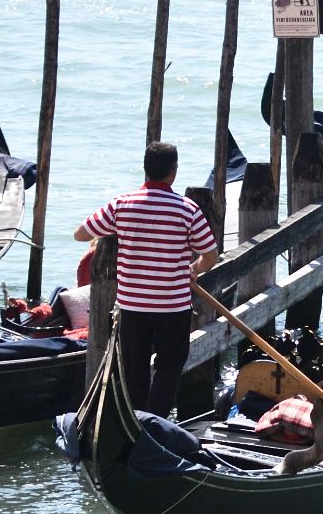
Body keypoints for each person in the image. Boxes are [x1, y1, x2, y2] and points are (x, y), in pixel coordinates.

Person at [72, 141, 218, 420]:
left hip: (133, 307)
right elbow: (210, 256)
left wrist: (115, 231)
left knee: (134, 369)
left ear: (145, 170)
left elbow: (80, 233)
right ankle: (156, 422)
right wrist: (193, 269)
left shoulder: (122, 205)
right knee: (168, 368)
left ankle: (135, 422)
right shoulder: (187, 210)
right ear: (173, 172)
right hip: (173, 307)